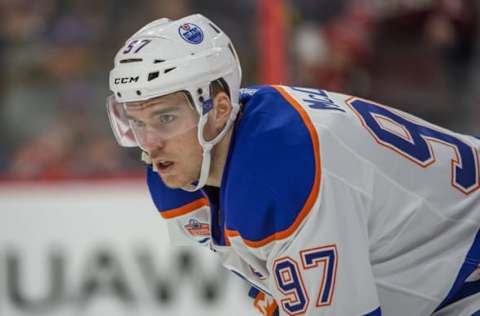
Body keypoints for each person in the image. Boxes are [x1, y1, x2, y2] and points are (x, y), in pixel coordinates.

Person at [106, 14, 480, 316]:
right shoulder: (182, 172)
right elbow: (273, 283)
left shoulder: (283, 167)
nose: (150, 143)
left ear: (219, 110)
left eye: (165, 118)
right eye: (136, 122)